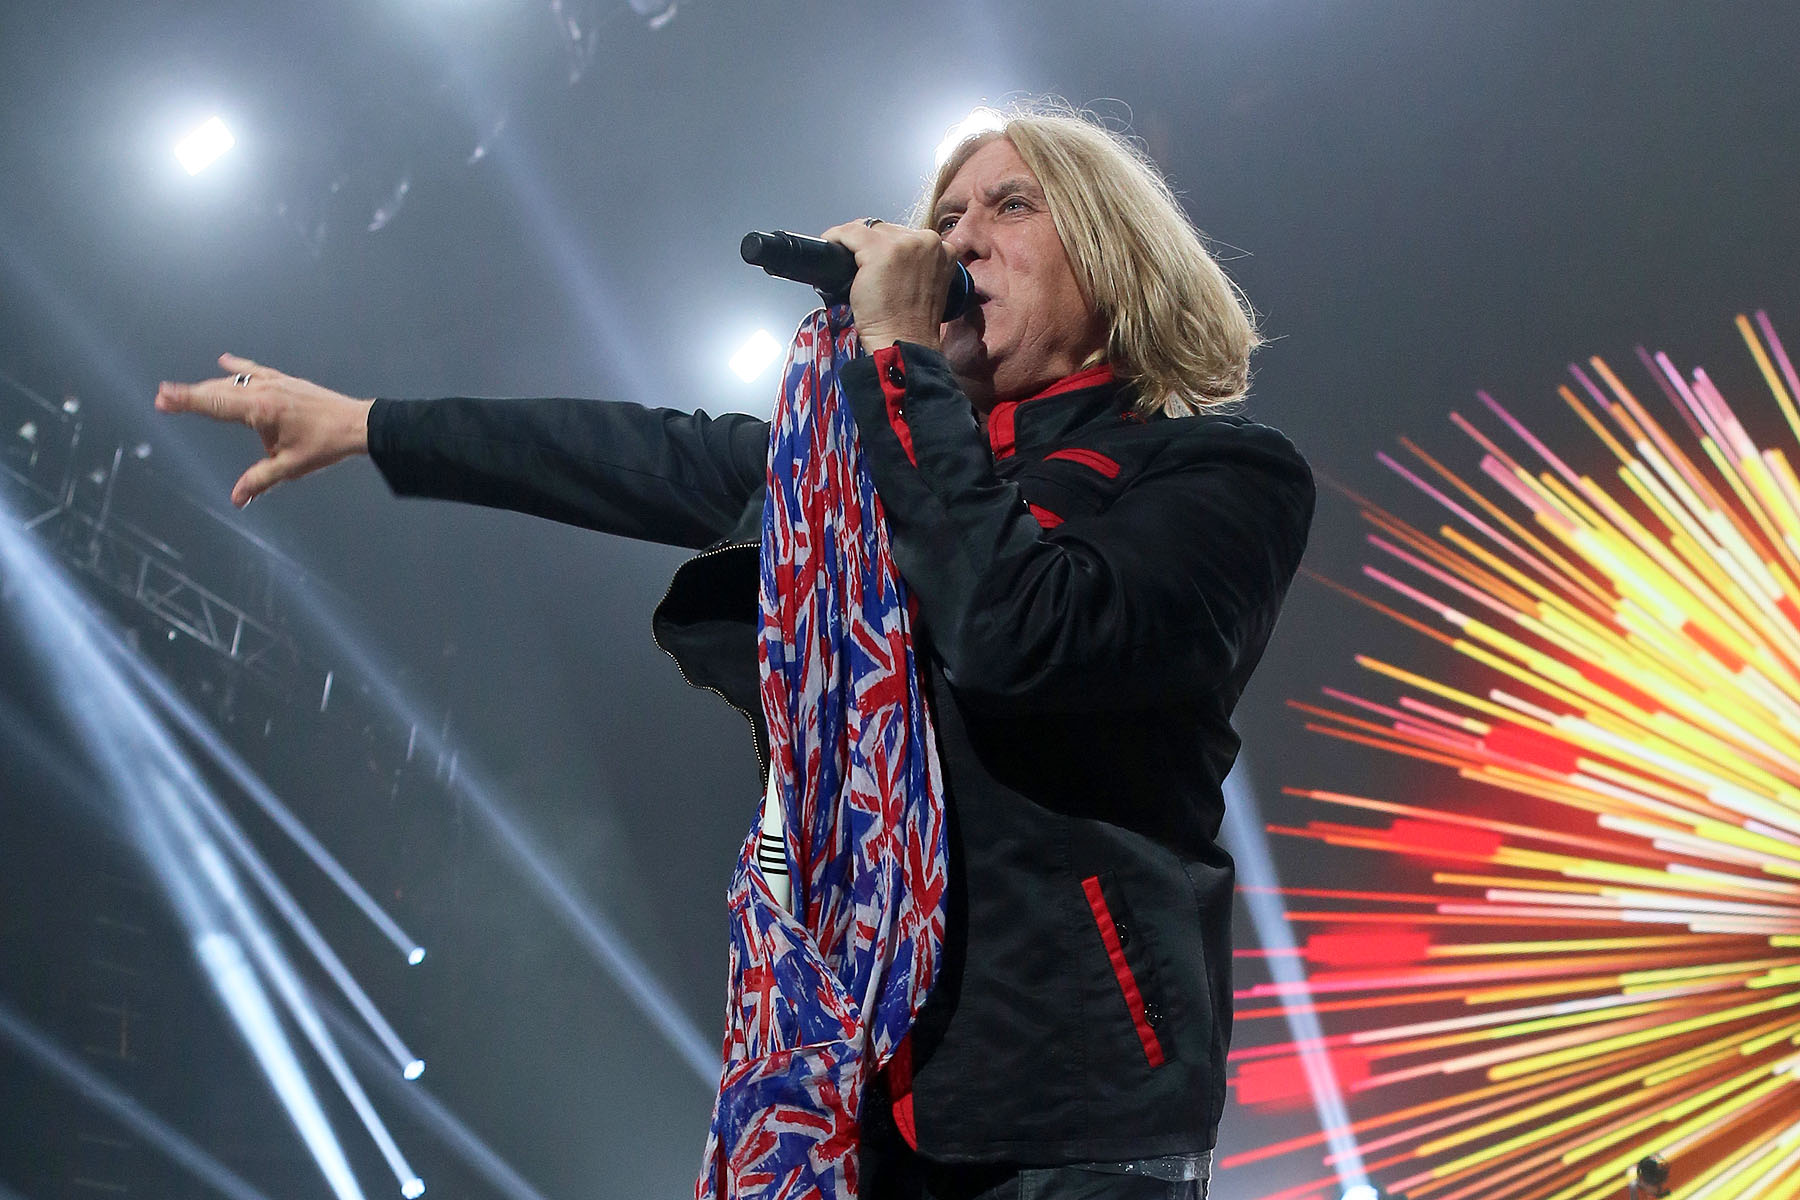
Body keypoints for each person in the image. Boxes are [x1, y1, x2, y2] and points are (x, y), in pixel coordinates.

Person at [157, 104, 1314, 1200]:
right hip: (842, 1088)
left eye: (1010, 206)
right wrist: (369, 425)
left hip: (1074, 1110)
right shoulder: (846, 479)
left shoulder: (1218, 475)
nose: (957, 241)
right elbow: (633, 453)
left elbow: (1018, 631)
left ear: (1113, 254)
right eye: (946, 217)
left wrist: (898, 362)